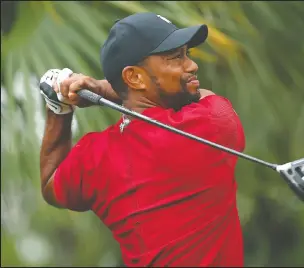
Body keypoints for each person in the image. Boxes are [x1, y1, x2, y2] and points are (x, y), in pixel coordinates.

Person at [39, 12, 246, 267]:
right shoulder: (209, 125)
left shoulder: (93, 157)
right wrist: (101, 88)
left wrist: (57, 107)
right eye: (176, 57)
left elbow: (50, 184)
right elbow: (202, 95)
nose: (192, 66)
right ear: (135, 77)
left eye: (187, 54)